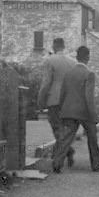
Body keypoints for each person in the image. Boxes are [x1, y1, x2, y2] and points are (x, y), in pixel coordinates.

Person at [53, 45, 99, 173]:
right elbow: (89, 97)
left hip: (68, 111)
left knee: (66, 139)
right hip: (84, 112)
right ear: (88, 58)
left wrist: (61, 110)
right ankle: (95, 164)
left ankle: (57, 163)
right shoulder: (89, 74)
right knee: (92, 137)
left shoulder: (68, 73)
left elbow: (62, 93)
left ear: (77, 57)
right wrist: (93, 115)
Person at [37, 38, 76, 167]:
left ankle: (66, 152)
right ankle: (67, 150)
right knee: (65, 128)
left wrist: (41, 100)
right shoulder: (72, 62)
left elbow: (46, 82)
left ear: (54, 46)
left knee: (56, 127)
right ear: (63, 46)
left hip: (54, 99)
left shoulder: (50, 60)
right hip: (69, 100)